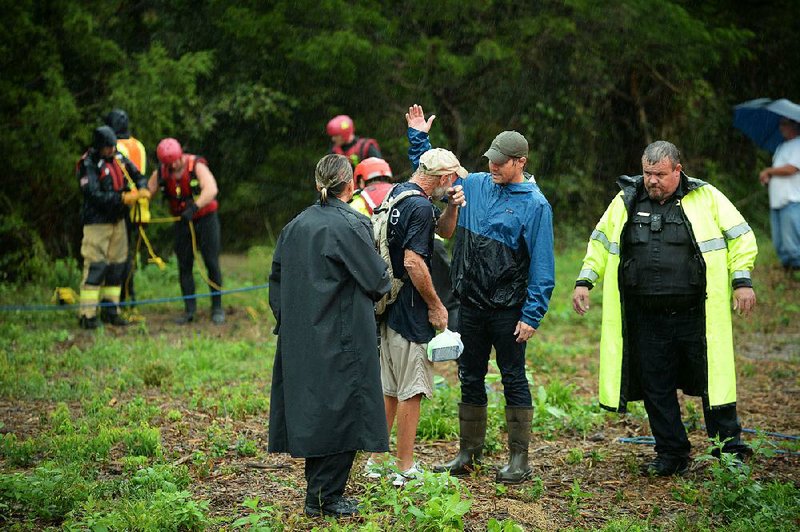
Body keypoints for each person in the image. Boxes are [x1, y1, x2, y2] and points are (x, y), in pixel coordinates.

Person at [572, 141, 757, 476]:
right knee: (656, 386)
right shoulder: (625, 200)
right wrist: (585, 281)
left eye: (659, 174)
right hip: (645, 316)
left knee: (713, 383)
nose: (652, 180)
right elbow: (599, 242)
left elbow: (742, 238)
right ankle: (671, 452)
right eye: (647, 173)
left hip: (695, 315)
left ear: (677, 170)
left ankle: (729, 452)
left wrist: (741, 281)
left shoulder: (706, 197)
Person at [406, 105, 555, 484]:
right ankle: (468, 453)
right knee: (469, 376)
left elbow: (542, 267)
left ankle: (519, 459)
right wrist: (419, 137)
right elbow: (430, 172)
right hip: (468, 304)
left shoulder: (536, 206)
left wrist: (532, 315)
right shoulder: (473, 186)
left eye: (501, 163)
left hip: (508, 310)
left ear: (520, 162)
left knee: (513, 377)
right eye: (490, 160)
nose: (493, 166)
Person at [268, 154, 392, 517]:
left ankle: (319, 494)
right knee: (344, 412)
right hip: (343, 336)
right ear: (350, 184)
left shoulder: (294, 226)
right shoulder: (351, 223)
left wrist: (291, 322)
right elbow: (376, 279)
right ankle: (324, 499)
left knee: (317, 412)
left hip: (300, 335)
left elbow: (276, 284)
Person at [368, 145, 467, 487]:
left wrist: (452, 208)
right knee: (412, 389)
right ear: (442, 178)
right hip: (410, 309)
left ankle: (376, 460)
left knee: (390, 387)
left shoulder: (400, 193)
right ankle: (404, 467)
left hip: (388, 303)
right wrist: (436, 306)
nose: (455, 184)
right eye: (452, 180)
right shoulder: (421, 207)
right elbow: (413, 261)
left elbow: (442, 232)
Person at [76, 125, 150, 329]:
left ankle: (111, 310)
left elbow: (137, 174)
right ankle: (87, 314)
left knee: (117, 266)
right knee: (96, 265)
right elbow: (93, 194)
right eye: (108, 147)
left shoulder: (118, 158)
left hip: (118, 222)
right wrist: (123, 198)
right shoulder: (88, 163)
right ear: (99, 146)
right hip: (97, 223)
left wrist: (143, 187)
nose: (111, 150)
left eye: (113, 146)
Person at [147, 138, 224, 324]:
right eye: (168, 163)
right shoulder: (162, 172)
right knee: (184, 265)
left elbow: (211, 189)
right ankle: (189, 310)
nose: (173, 165)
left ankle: (217, 308)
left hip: (205, 219)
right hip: (182, 222)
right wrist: (140, 213)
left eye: (175, 160)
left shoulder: (195, 166)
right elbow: (148, 192)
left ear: (181, 155)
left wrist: (195, 207)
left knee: (211, 262)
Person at [104, 109, 147, 311]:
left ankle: (122, 297)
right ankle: (131, 296)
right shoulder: (138, 145)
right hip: (141, 208)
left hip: (124, 206)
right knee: (130, 254)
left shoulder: (116, 148)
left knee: (120, 256)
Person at [758, 117, 800, 273]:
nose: (781, 127)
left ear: (793, 125)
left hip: (792, 200)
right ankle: (787, 269)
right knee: (779, 241)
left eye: (784, 124)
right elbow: (779, 169)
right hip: (777, 201)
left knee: (792, 241)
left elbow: (792, 169)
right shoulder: (781, 147)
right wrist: (769, 177)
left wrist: (769, 171)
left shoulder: (798, 145)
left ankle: (795, 272)